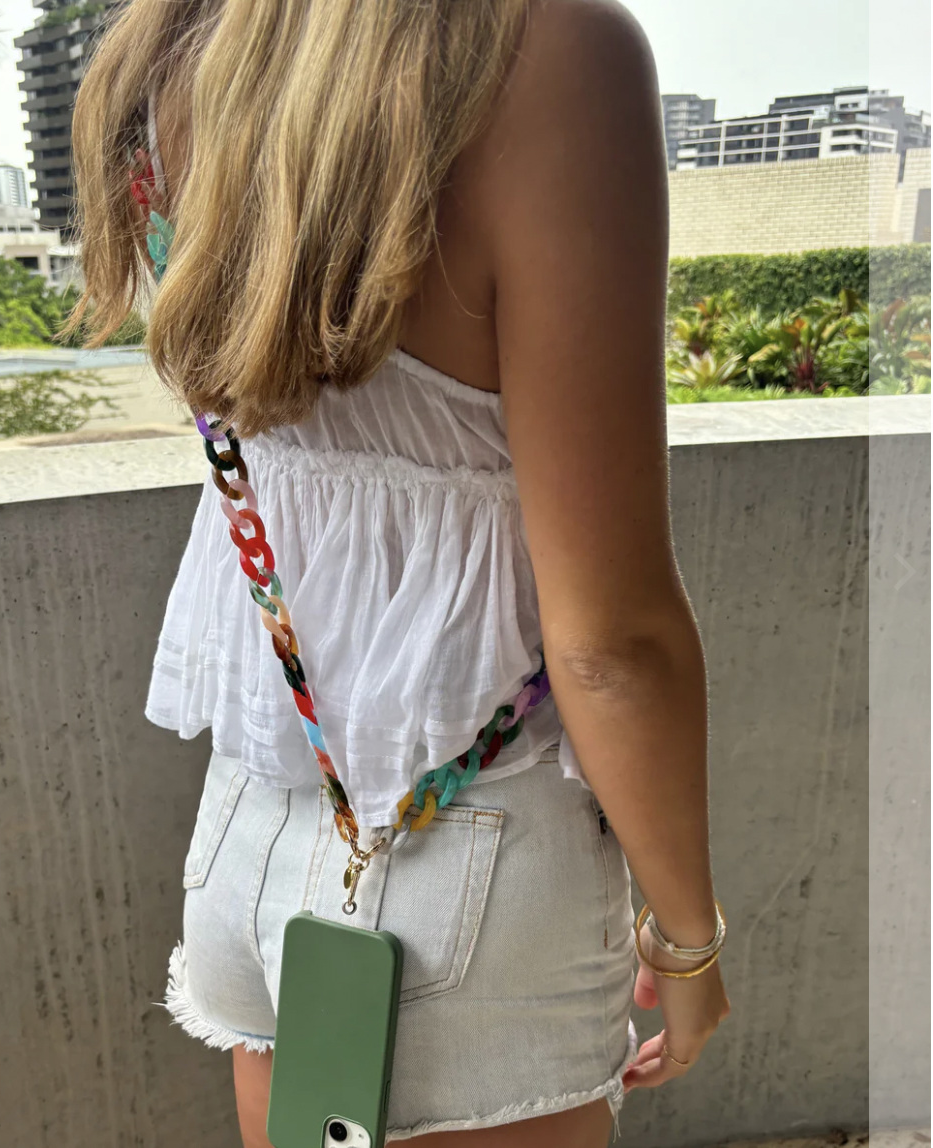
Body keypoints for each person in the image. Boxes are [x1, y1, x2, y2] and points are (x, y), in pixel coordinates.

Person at [70, 0, 730, 1144]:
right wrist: (687, 938)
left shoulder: (178, 48)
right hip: (478, 855)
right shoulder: (553, 52)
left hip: (252, 826)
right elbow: (610, 643)